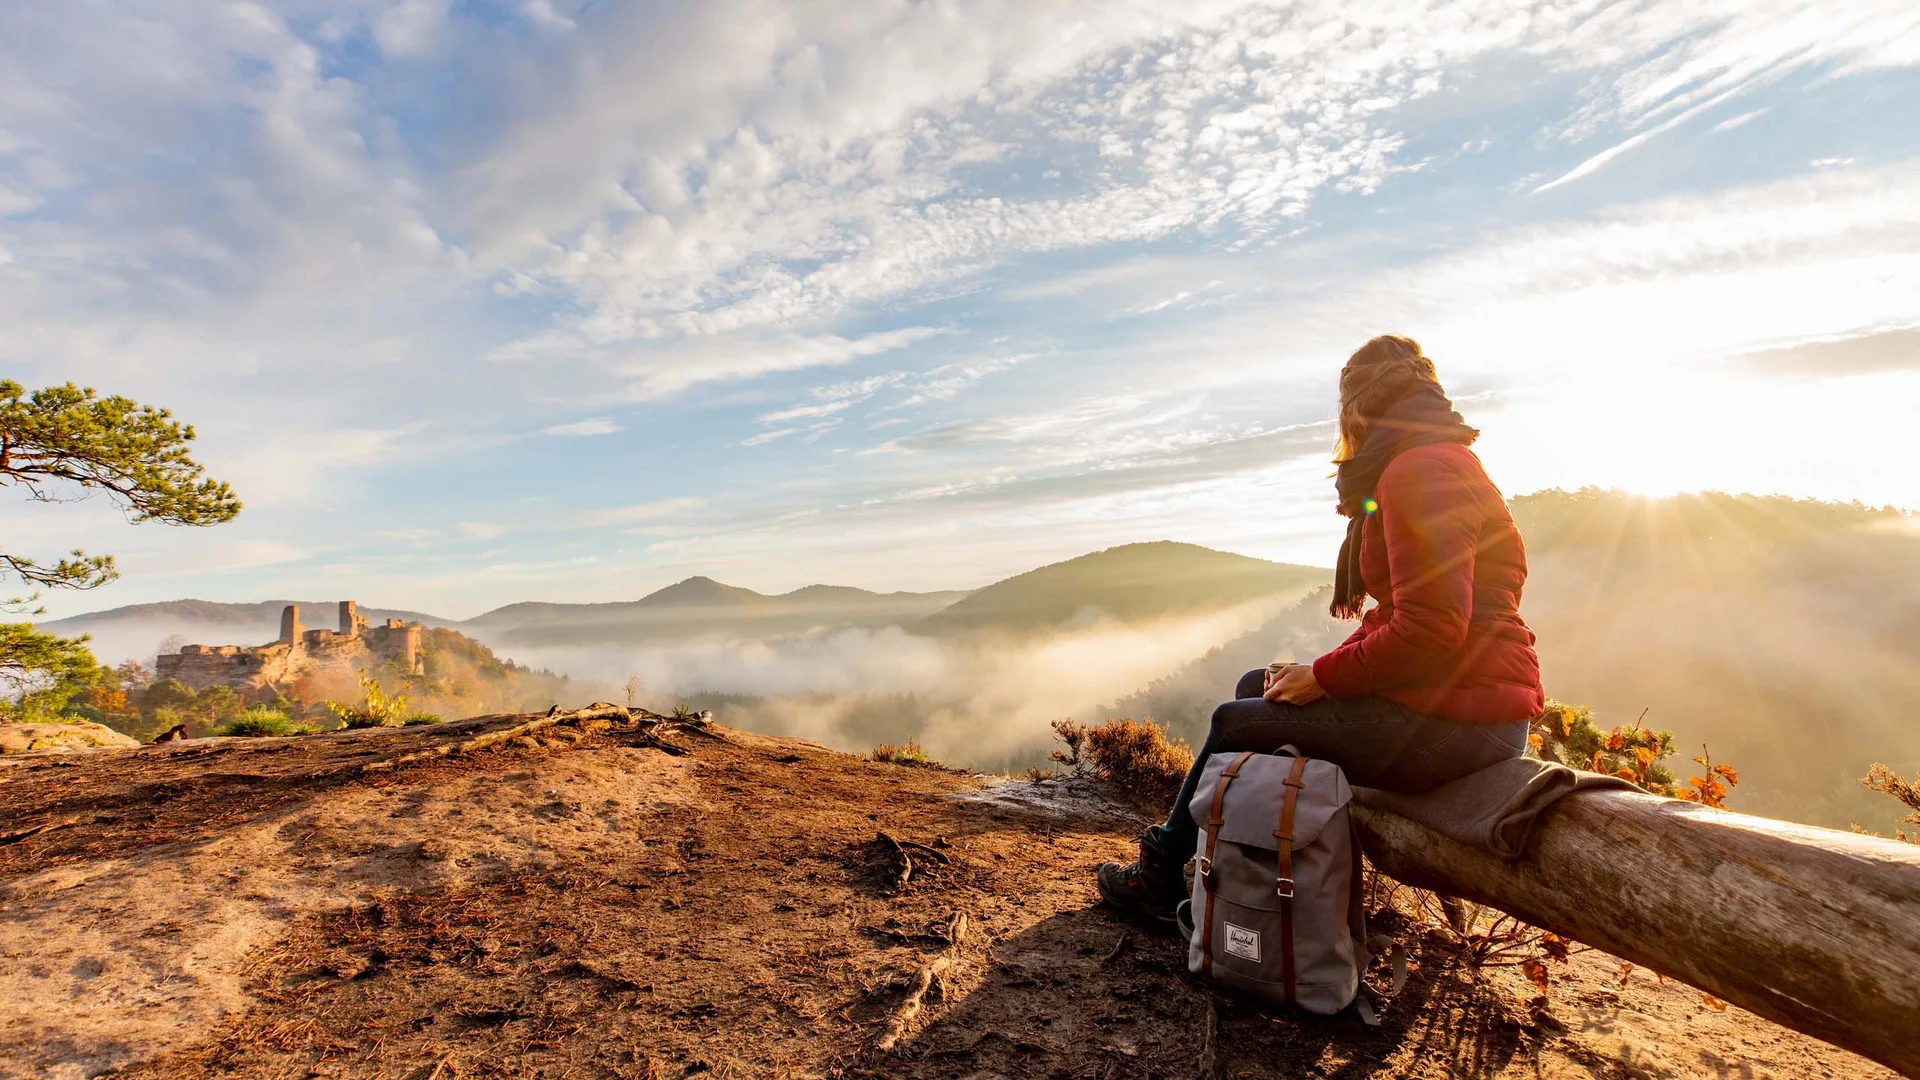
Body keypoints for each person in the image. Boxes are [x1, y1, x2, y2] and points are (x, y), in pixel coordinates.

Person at [1097, 335, 1546, 918]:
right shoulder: (1432, 460)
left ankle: (1161, 876)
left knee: (1235, 721)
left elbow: (1433, 629)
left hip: (1464, 723)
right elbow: (1398, 614)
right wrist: (1315, 673)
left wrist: (1325, 679)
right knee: (1258, 688)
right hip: (1456, 702)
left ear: (1358, 406)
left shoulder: (1421, 471)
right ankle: (1231, 874)